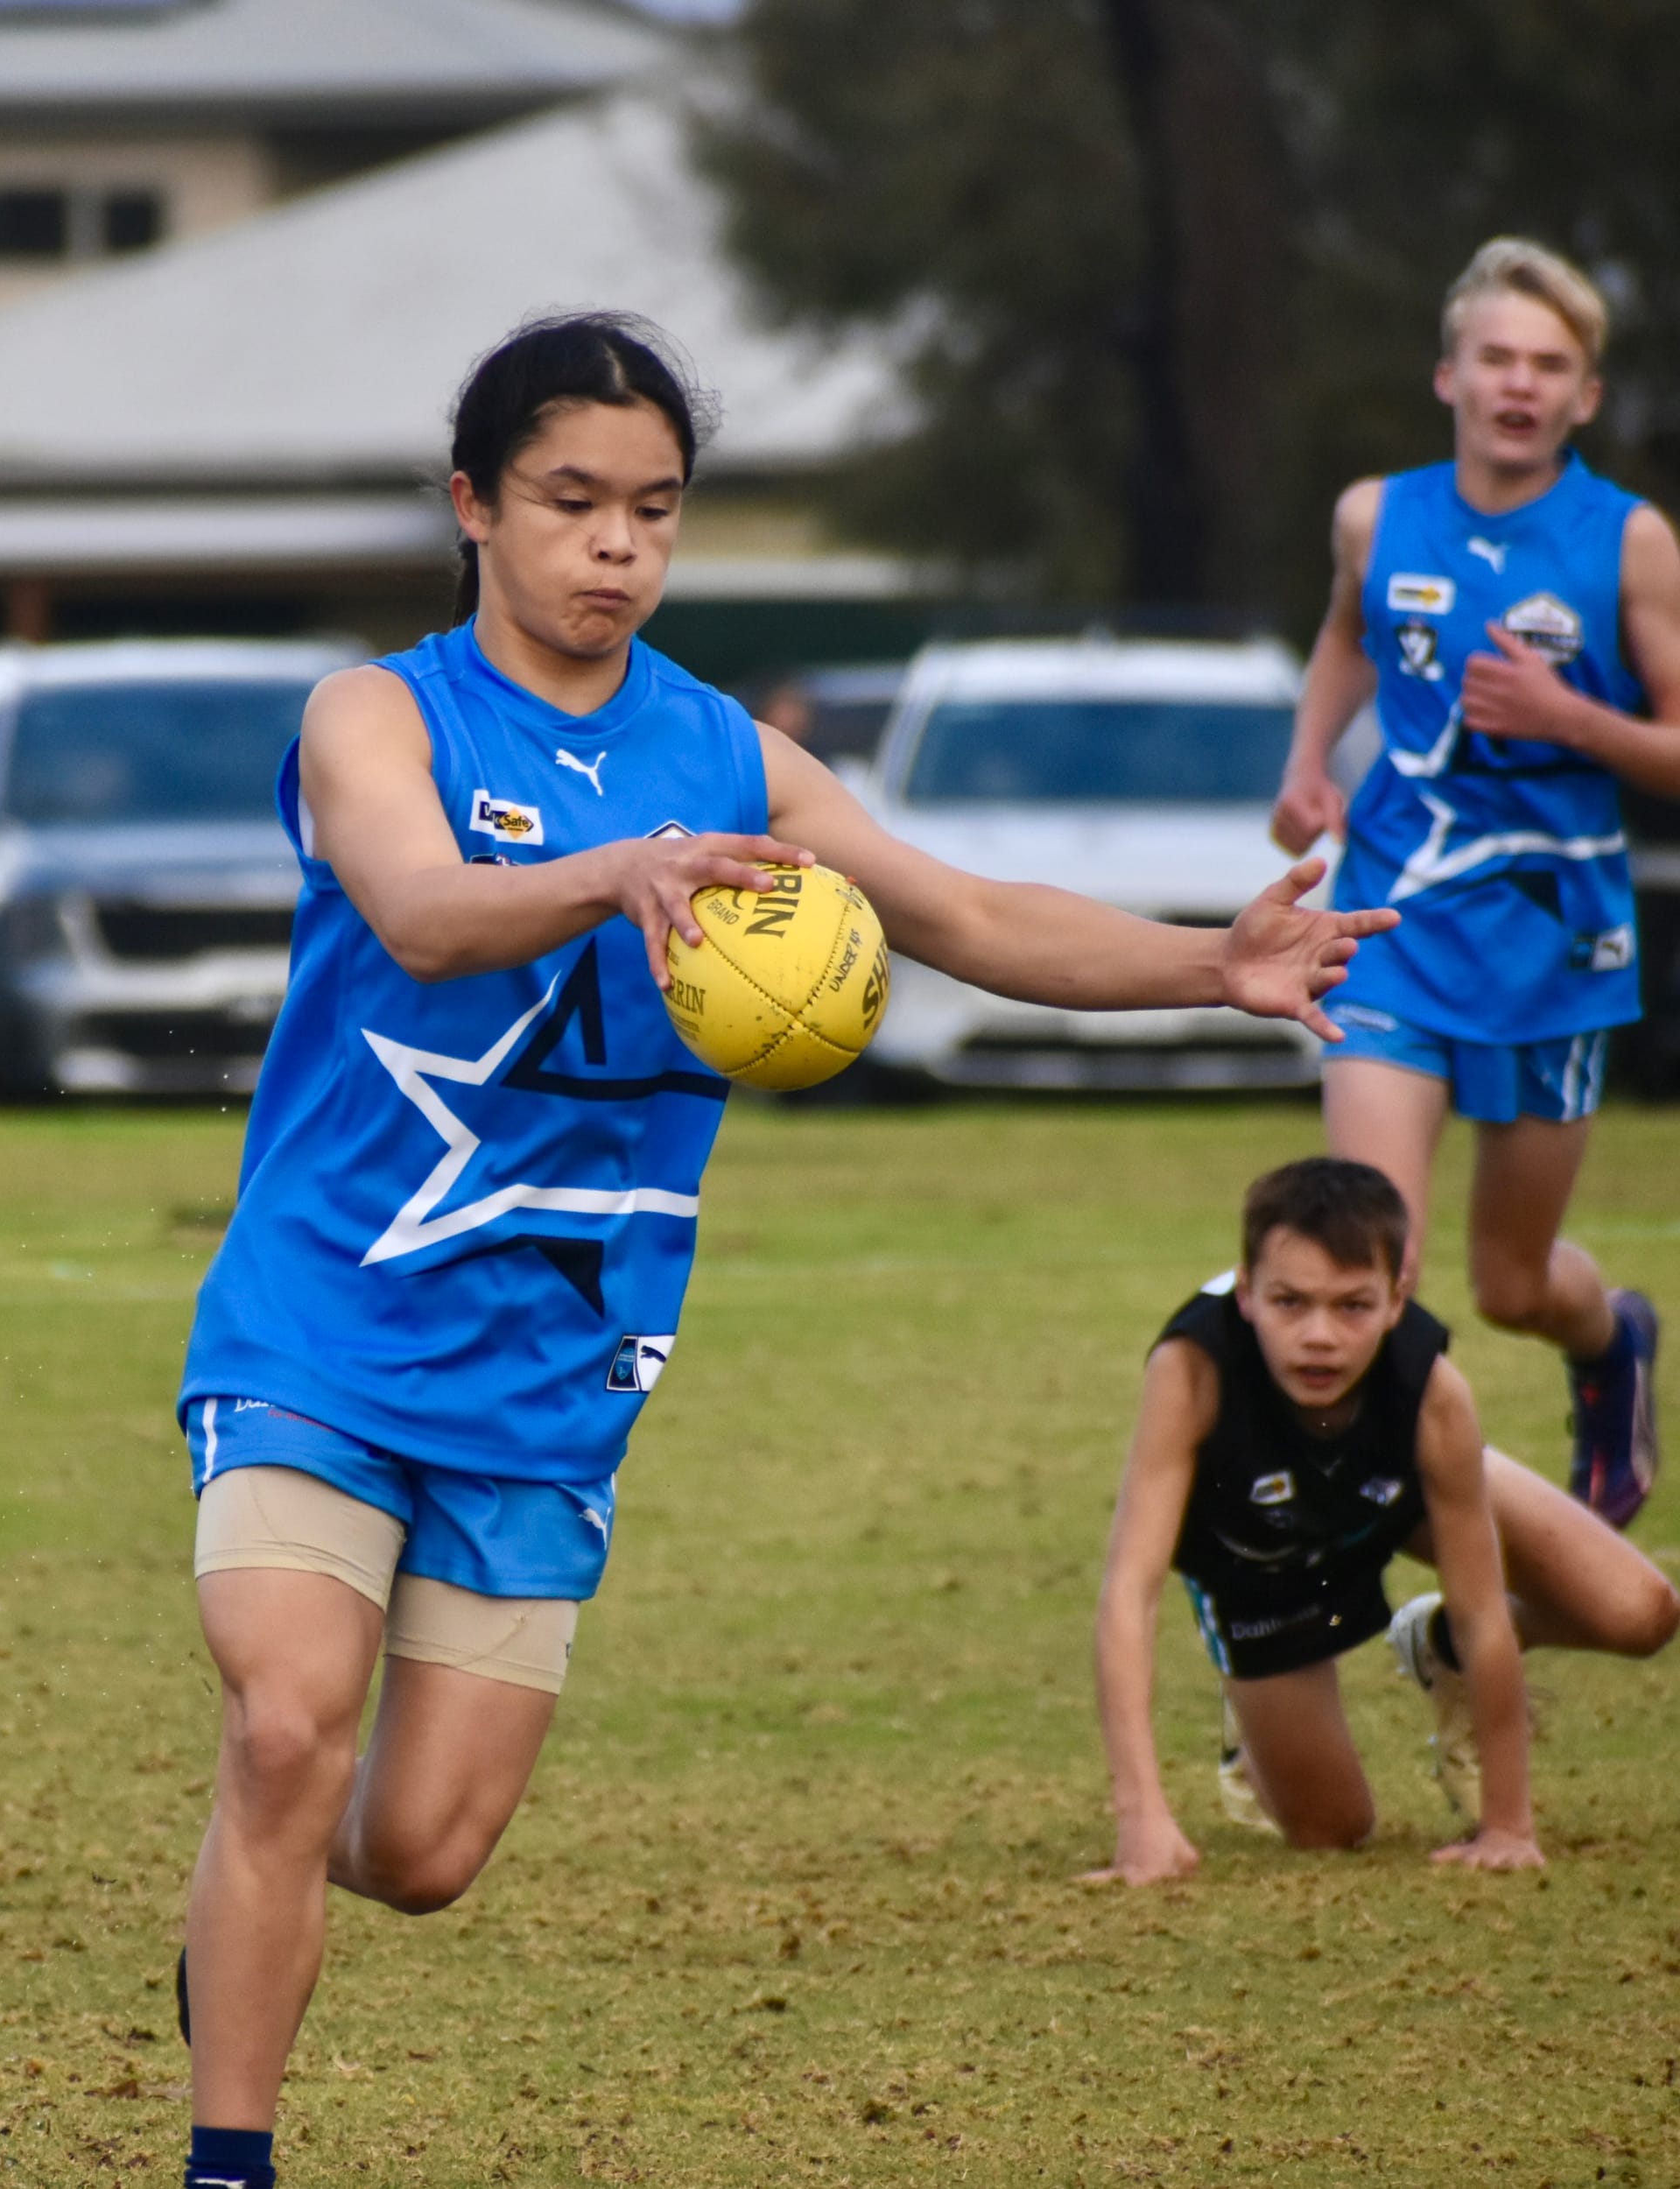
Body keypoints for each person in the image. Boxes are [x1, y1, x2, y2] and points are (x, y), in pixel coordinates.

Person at [170, 313, 1395, 2189]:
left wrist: (1204, 965)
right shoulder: (377, 715)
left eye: (652, 511)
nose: (613, 547)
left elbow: (970, 910)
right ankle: (227, 2150)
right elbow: (418, 912)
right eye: (570, 501)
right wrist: (619, 870)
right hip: (324, 1313)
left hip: (549, 1363)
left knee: (414, 1848)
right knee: (283, 1723)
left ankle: (272, 1880)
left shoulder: (726, 752)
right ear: (473, 506)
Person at [1270, 237, 1680, 1530]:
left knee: (1509, 1284)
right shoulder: (1373, 516)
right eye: (1497, 357)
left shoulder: (1630, 544)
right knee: (1367, 1249)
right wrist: (1307, 764)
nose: (1520, 383)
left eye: (1549, 365)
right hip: (1393, 914)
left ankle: (1609, 1343)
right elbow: (1345, 635)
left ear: (1587, 398)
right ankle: (1366, 1519)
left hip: (1553, 940)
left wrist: (1574, 719)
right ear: (1448, 374)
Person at [1083, 1157, 1678, 1890]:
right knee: (1332, 1831)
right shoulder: (1192, 1371)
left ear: (1399, 1300)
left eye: (1353, 1306)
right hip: (1260, 1565)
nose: (1320, 1336)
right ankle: (1253, 1729)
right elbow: (1127, 1593)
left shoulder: (1431, 1393)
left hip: (1387, 1492)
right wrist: (1141, 1818)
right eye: (1290, 1303)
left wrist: (1506, 1825)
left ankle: (1433, 1649)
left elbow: (1484, 1612)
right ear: (1246, 1295)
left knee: (1640, 1612)